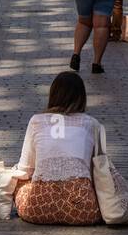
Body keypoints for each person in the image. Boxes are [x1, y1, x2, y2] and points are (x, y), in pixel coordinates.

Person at [13, 71, 102, 225]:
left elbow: (25, 170)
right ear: (81, 98)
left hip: (38, 207)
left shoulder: (36, 121)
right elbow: (99, 170)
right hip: (83, 210)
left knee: (20, 183)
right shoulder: (92, 123)